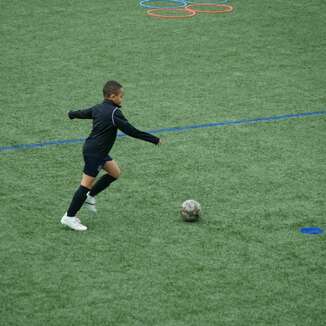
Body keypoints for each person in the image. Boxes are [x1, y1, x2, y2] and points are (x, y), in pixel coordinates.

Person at [61, 80, 161, 231]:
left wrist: (71, 114)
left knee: (115, 172)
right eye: (121, 96)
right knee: (85, 184)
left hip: (95, 150)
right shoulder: (115, 113)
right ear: (112, 96)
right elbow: (131, 131)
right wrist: (154, 139)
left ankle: (90, 196)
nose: (122, 99)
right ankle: (69, 217)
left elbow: (84, 113)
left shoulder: (98, 108)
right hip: (95, 153)